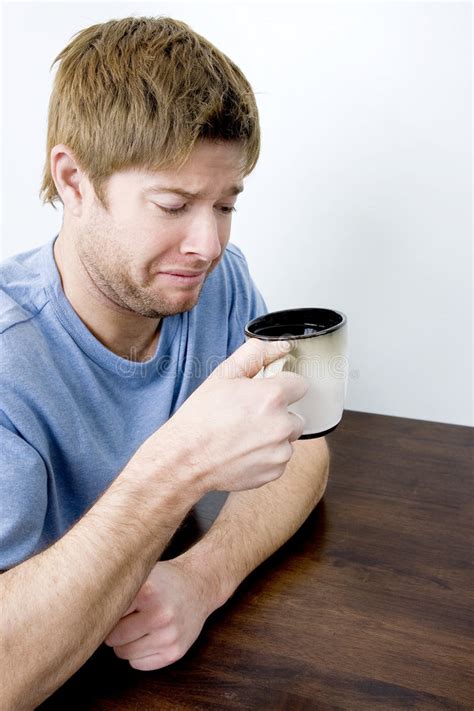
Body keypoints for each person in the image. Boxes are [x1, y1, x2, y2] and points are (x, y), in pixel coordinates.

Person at [0, 16, 330, 709]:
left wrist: (202, 576)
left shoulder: (217, 282)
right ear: (74, 180)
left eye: (226, 203)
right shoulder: (10, 361)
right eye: (174, 204)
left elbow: (302, 449)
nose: (208, 244)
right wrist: (178, 465)